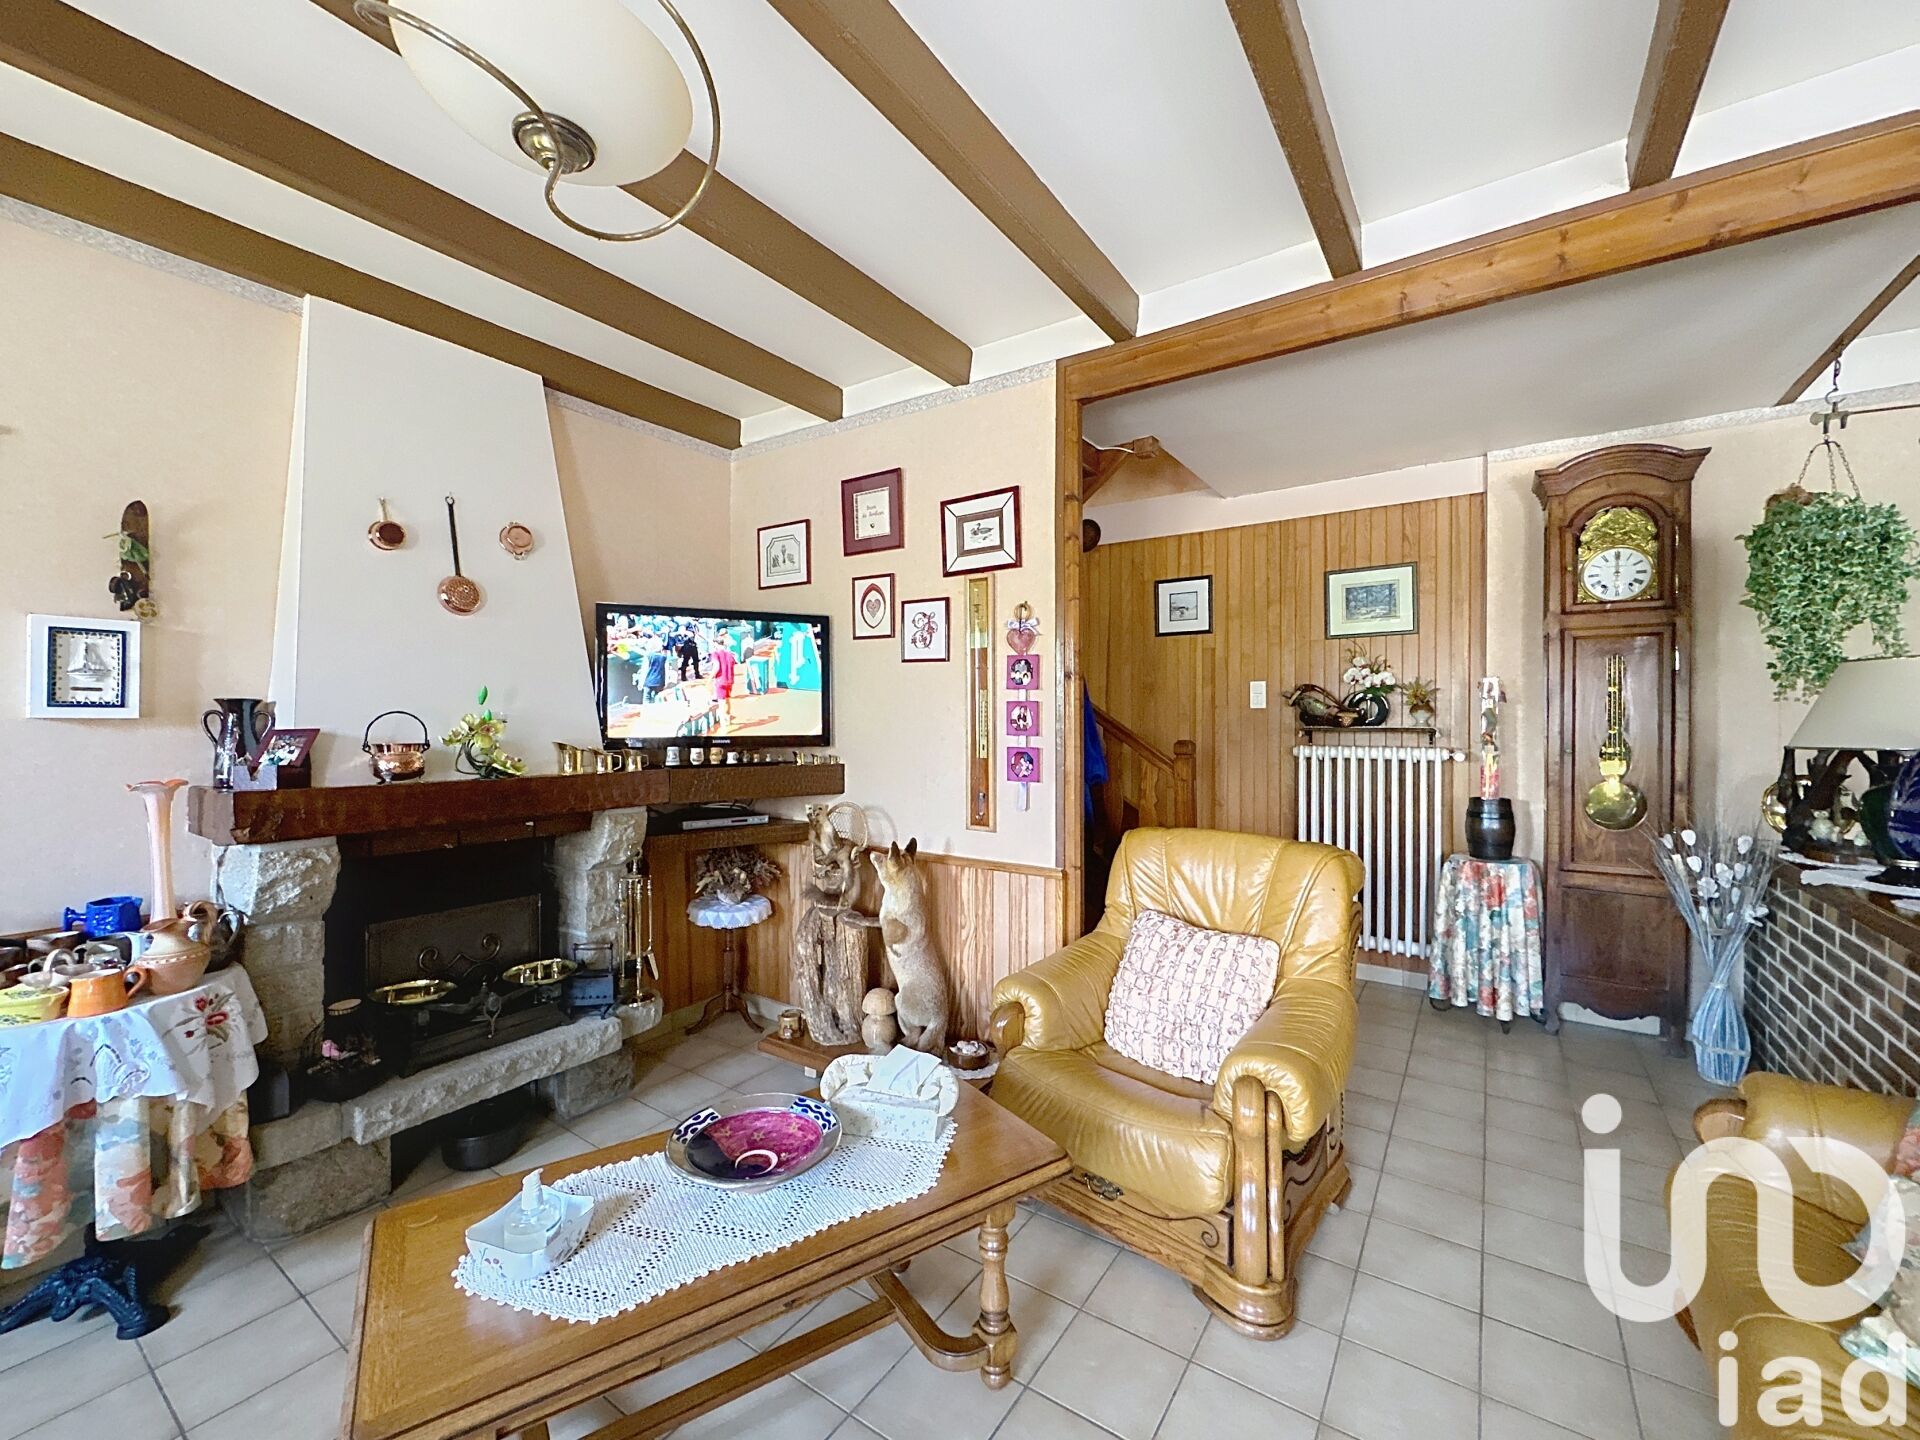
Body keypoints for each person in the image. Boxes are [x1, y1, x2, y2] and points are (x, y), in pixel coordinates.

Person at [711, 639, 737, 727]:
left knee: (721, 703)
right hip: (730, 681)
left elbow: (717, 666)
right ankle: (728, 719)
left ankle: (723, 723)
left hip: (720, 681)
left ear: (716, 644)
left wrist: (709, 678)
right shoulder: (730, 654)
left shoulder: (715, 654)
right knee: (727, 700)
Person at [641, 641, 668, 705]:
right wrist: (666, 682)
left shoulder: (648, 656)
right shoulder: (664, 657)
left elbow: (644, 670)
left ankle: (647, 710)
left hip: (648, 681)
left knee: (646, 699)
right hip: (660, 682)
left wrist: (641, 682)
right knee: (657, 699)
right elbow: (666, 670)